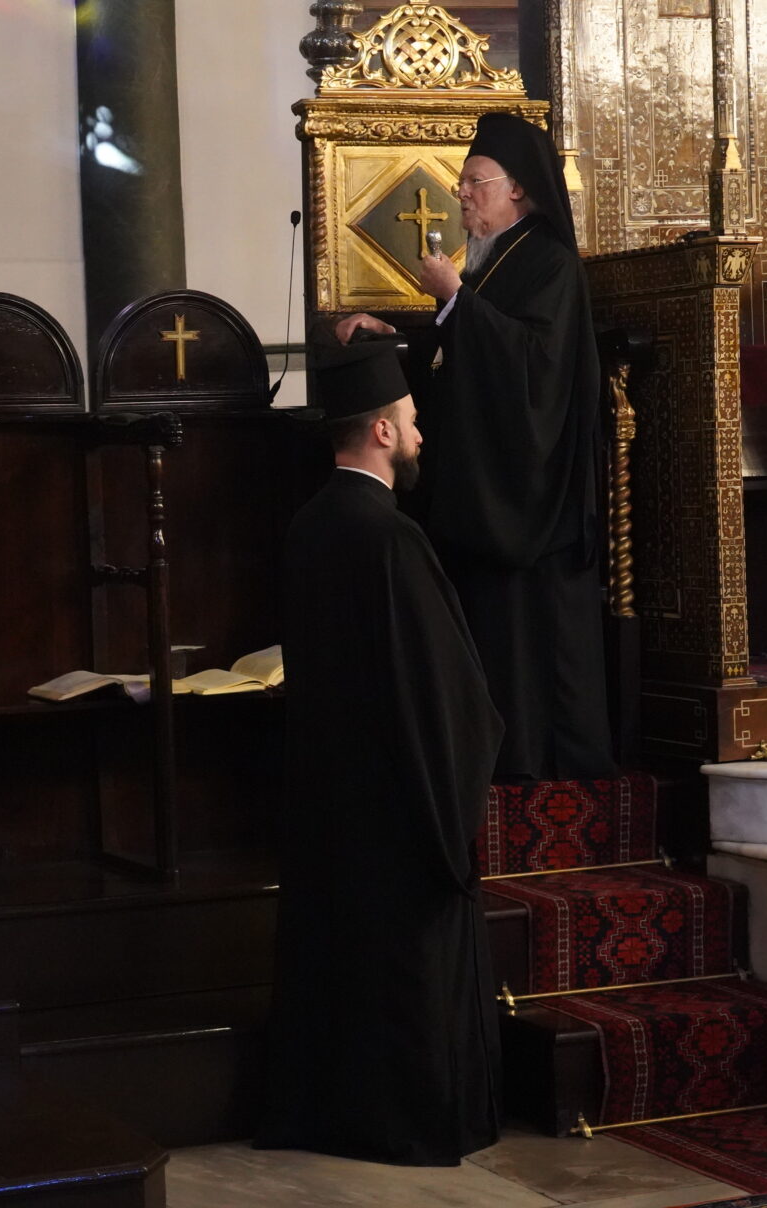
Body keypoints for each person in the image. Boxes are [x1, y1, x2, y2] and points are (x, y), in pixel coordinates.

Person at [257, 341, 503, 1165]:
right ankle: (414, 1123)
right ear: (383, 432)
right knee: (402, 971)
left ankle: (336, 1117)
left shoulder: (309, 528)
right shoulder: (390, 538)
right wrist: (463, 774)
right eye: (413, 419)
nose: (423, 434)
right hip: (398, 808)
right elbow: (440, 692)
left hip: (329, 801)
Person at [329, 111, 615, 780]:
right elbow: (460, 346)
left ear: (518, 189)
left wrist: (455, 297)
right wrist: (395, 332)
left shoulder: (549, 261)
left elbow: (534, 366)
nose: (461, 194)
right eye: (462, 183)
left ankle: (541, 768)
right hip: (487, 490)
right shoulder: (494, 260)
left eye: (474, 183)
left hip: (530, 500)